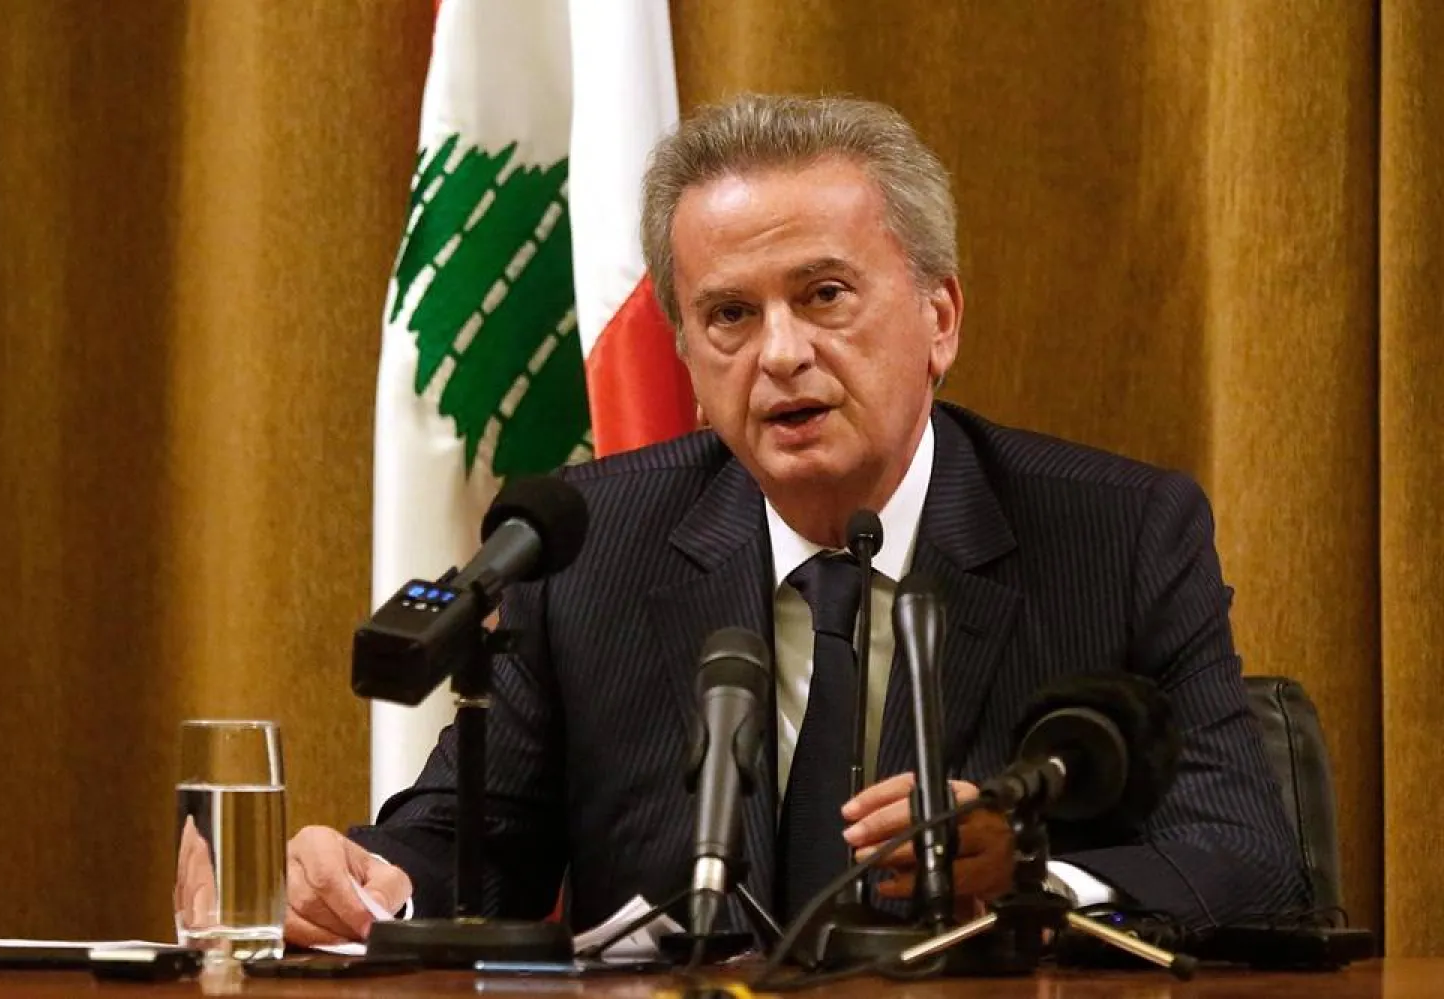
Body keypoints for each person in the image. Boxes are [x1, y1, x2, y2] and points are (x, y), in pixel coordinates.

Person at [280, 93, 1306, 947]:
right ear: (684, 350)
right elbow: (474, 841)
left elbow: (1251, 863)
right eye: (729, 314)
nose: (778, 354)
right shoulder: (591, 544)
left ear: (939, 319)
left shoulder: (1117, 535)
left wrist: (1032, 883)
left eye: (823, 295)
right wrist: (369, 882)